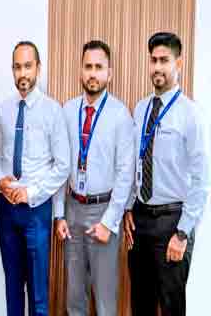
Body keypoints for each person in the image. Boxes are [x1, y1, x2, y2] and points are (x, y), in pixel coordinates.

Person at [124, 32, 210, 316]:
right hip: (141, 219)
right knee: (141, 305)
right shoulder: (141, 109)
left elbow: (201, 180)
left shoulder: (191, 114)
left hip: (172, 222)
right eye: (153, 60)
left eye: (164, 60)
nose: (157, 67)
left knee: (172, 306)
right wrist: (129, 208)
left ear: (178, 63)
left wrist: (183, 233)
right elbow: (135, 163)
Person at [53, 40, 134, 316]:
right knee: (74, 299)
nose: (93, 73)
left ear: (109, 73)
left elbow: (125, 174)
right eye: (88, 66)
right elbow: (60, 167)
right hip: (73, 210)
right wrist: (59, 215)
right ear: (80, 70)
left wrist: (109, 222)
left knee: (105, 303)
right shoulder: (67, 111)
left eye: (99, 67)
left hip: (104, 211)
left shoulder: (120, 115)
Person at [0, 41, 70, 316]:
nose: (22, 73)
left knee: (38, 296)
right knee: (12, 291)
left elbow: (63, 165)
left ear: (38, 68)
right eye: (17, 67)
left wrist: (31, 192)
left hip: (36, 211)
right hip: (7, 210)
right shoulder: (3, 110)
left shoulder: (52, 110)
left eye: (27, 66)